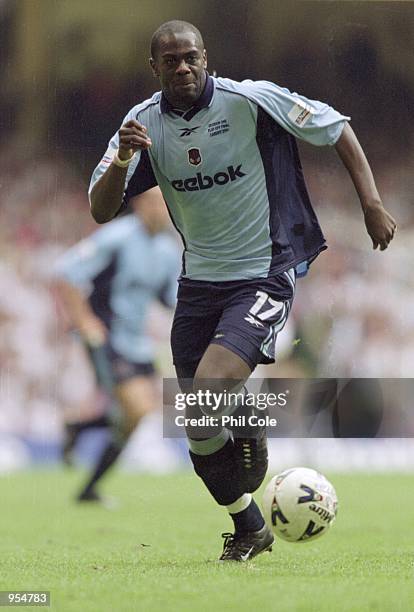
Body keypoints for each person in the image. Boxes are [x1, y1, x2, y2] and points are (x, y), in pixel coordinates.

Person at [88, 20, 396, 559]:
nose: (182, 68)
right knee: (198, 425)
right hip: (198, 284)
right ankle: (250, 526)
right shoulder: (140, 125)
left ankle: (248, 415)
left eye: (191, 58)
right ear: (154, 67)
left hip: (263, 273)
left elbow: (336, 126)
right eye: (171, 60)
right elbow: (99, 208)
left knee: (208, 391)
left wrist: (369, 202)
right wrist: (123, 160)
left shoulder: (249, 100)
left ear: (205, 58)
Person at [56, 187, 181, 503]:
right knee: (135, 410)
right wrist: (84, 321)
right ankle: (85, 462)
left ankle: (83, 457)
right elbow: (66, 274)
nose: (164, 209)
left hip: (137, 342)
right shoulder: (117, 237)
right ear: (140, 204)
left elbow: (170, 299)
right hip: (108, 336)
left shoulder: (168, 251)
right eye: (157, 202)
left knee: (138, 415)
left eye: (168, 203)